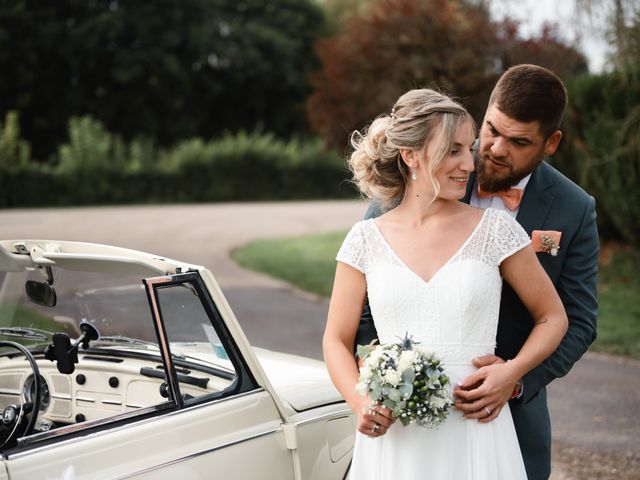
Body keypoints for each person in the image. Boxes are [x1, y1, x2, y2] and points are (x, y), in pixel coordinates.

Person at [353, 64, 599, 480]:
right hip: (406, 422)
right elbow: (364, 306)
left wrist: (516, 378)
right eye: (492, 130)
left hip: (506, 421)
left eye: (519, 141)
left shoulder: (574, 209)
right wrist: (382, 377)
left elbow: (577, 321)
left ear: (551, 142)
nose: (495, 149)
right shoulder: (414, 185)